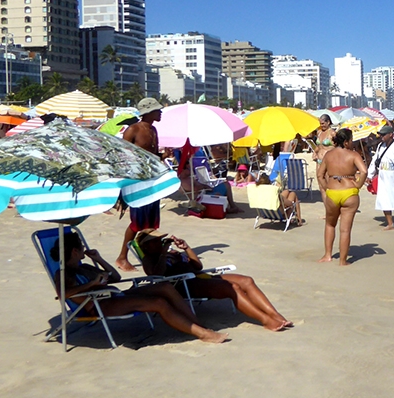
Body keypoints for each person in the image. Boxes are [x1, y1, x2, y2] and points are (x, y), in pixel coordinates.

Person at [52, 230, 227, 343]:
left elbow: (116, 276)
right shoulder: (63, 273)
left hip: (113, 296)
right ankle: (203, 334)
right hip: (99, 305)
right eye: (81, 247)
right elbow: (63, 294)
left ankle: (197, 324)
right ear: (75, 251)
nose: (84, 249)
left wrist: (98, 259)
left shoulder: (85, 267)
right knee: (159, 302)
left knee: (165, 287)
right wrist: (92, 284)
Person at [135, 230, 291, 330]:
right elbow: (158, 275)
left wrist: (186, 248)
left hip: (199, 277)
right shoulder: (149, 259)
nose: (160, 243)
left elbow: (197, 266)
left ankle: (276, 315)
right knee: (233, 288)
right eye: (154, 241)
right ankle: (266, 321)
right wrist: (163, 253)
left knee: (247, 280)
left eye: (160, 240)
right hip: (185, 285)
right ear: (146, 247)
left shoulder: (172, 253)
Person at [115, 98, 165, 271]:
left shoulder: (154, 129)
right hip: (137, 180)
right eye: (157, 110)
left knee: (151, 222)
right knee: (137, 222)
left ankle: (148, 255)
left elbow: (152, 153)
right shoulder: (133, 130)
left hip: (152, 179)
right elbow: (122, 158)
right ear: (148, 112)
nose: (161, 113)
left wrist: (160, 158)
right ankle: (122, 257)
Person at [317, 128, 367, 265]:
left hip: (332, 192)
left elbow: (320, 175)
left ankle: (328, 255)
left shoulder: (328, 155)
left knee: (330, 224)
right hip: (349, 192)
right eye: (351, 140)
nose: (352, 142)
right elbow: (364, 171)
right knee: (345, 229)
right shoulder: (353, 155)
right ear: (346, 142)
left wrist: (327, 186)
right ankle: (343, 261)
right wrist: (358, 185)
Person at [367, 124, 394, 230]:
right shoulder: (380, 146)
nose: (382, 137)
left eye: (384, 135)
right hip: (383, 177)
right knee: (384, 199)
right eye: (381, 135)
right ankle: (390, 223)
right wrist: (370, 175)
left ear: (391, 135)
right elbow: (374, 161)